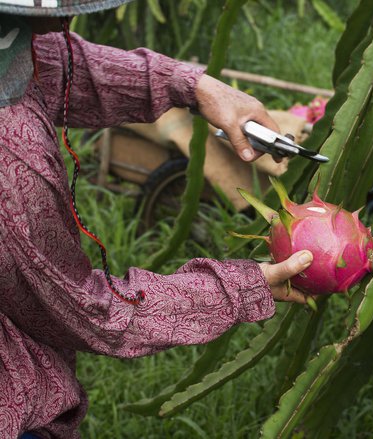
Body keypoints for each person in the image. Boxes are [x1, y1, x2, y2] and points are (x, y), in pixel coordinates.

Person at [0, 1, 314, 438]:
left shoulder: (11, 49)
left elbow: (64, 66)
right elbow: (84, 310)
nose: (63, 23)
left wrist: (195, 87)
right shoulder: (11, 162)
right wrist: (241, 287)